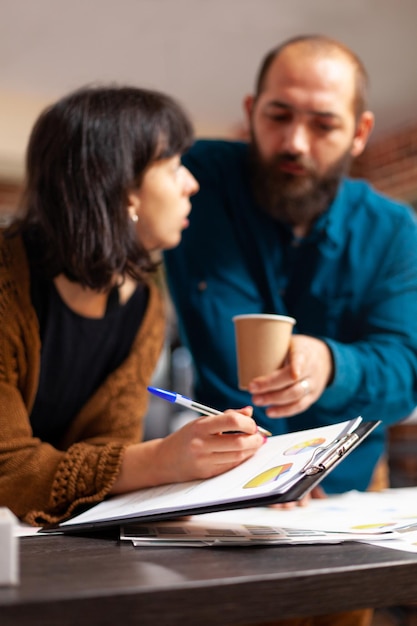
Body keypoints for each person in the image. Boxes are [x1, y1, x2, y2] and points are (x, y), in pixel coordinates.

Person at [0, 85, 265, 527]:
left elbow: (106, 454)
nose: (191, 182)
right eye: (174, 164)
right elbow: (6, 471)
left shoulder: (144, 303)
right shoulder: (7, 280)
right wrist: (162, 458)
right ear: (121, 186)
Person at [164, 34, 417, 497]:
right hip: (219, 490)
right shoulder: (194, 184)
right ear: (250, 111)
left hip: (340, 495)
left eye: (323, 125)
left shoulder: (394, 230)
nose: (294, 143)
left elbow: (406, 374)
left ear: (360, 133)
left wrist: (332, 365)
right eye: (278, 117)